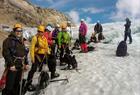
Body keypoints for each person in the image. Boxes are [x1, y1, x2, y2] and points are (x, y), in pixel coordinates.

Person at [25, 25, 59, 91]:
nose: (40, 33)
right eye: (39, 31)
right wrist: (32, 58)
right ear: (38, 31)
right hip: (37, 55)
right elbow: (31, 48)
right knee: (33, 69)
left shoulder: (44, 38)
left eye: (42, 32)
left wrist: (49, 53)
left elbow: (46, 47)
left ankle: (43, 79)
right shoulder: (35, 38)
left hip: (44, 55)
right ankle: (28, 84)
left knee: (45, 67)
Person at [2, 24, 29, 95]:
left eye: (20, 31)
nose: (19, 32)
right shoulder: (8, 41)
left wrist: (26, 63)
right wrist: (11, 65)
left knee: (16, 85)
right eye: (17, 31)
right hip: (12, 66)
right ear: (14, 31)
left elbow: (24, 54)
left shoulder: (21, 41)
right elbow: (6, 53)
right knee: (9, 86)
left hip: (20, 66)